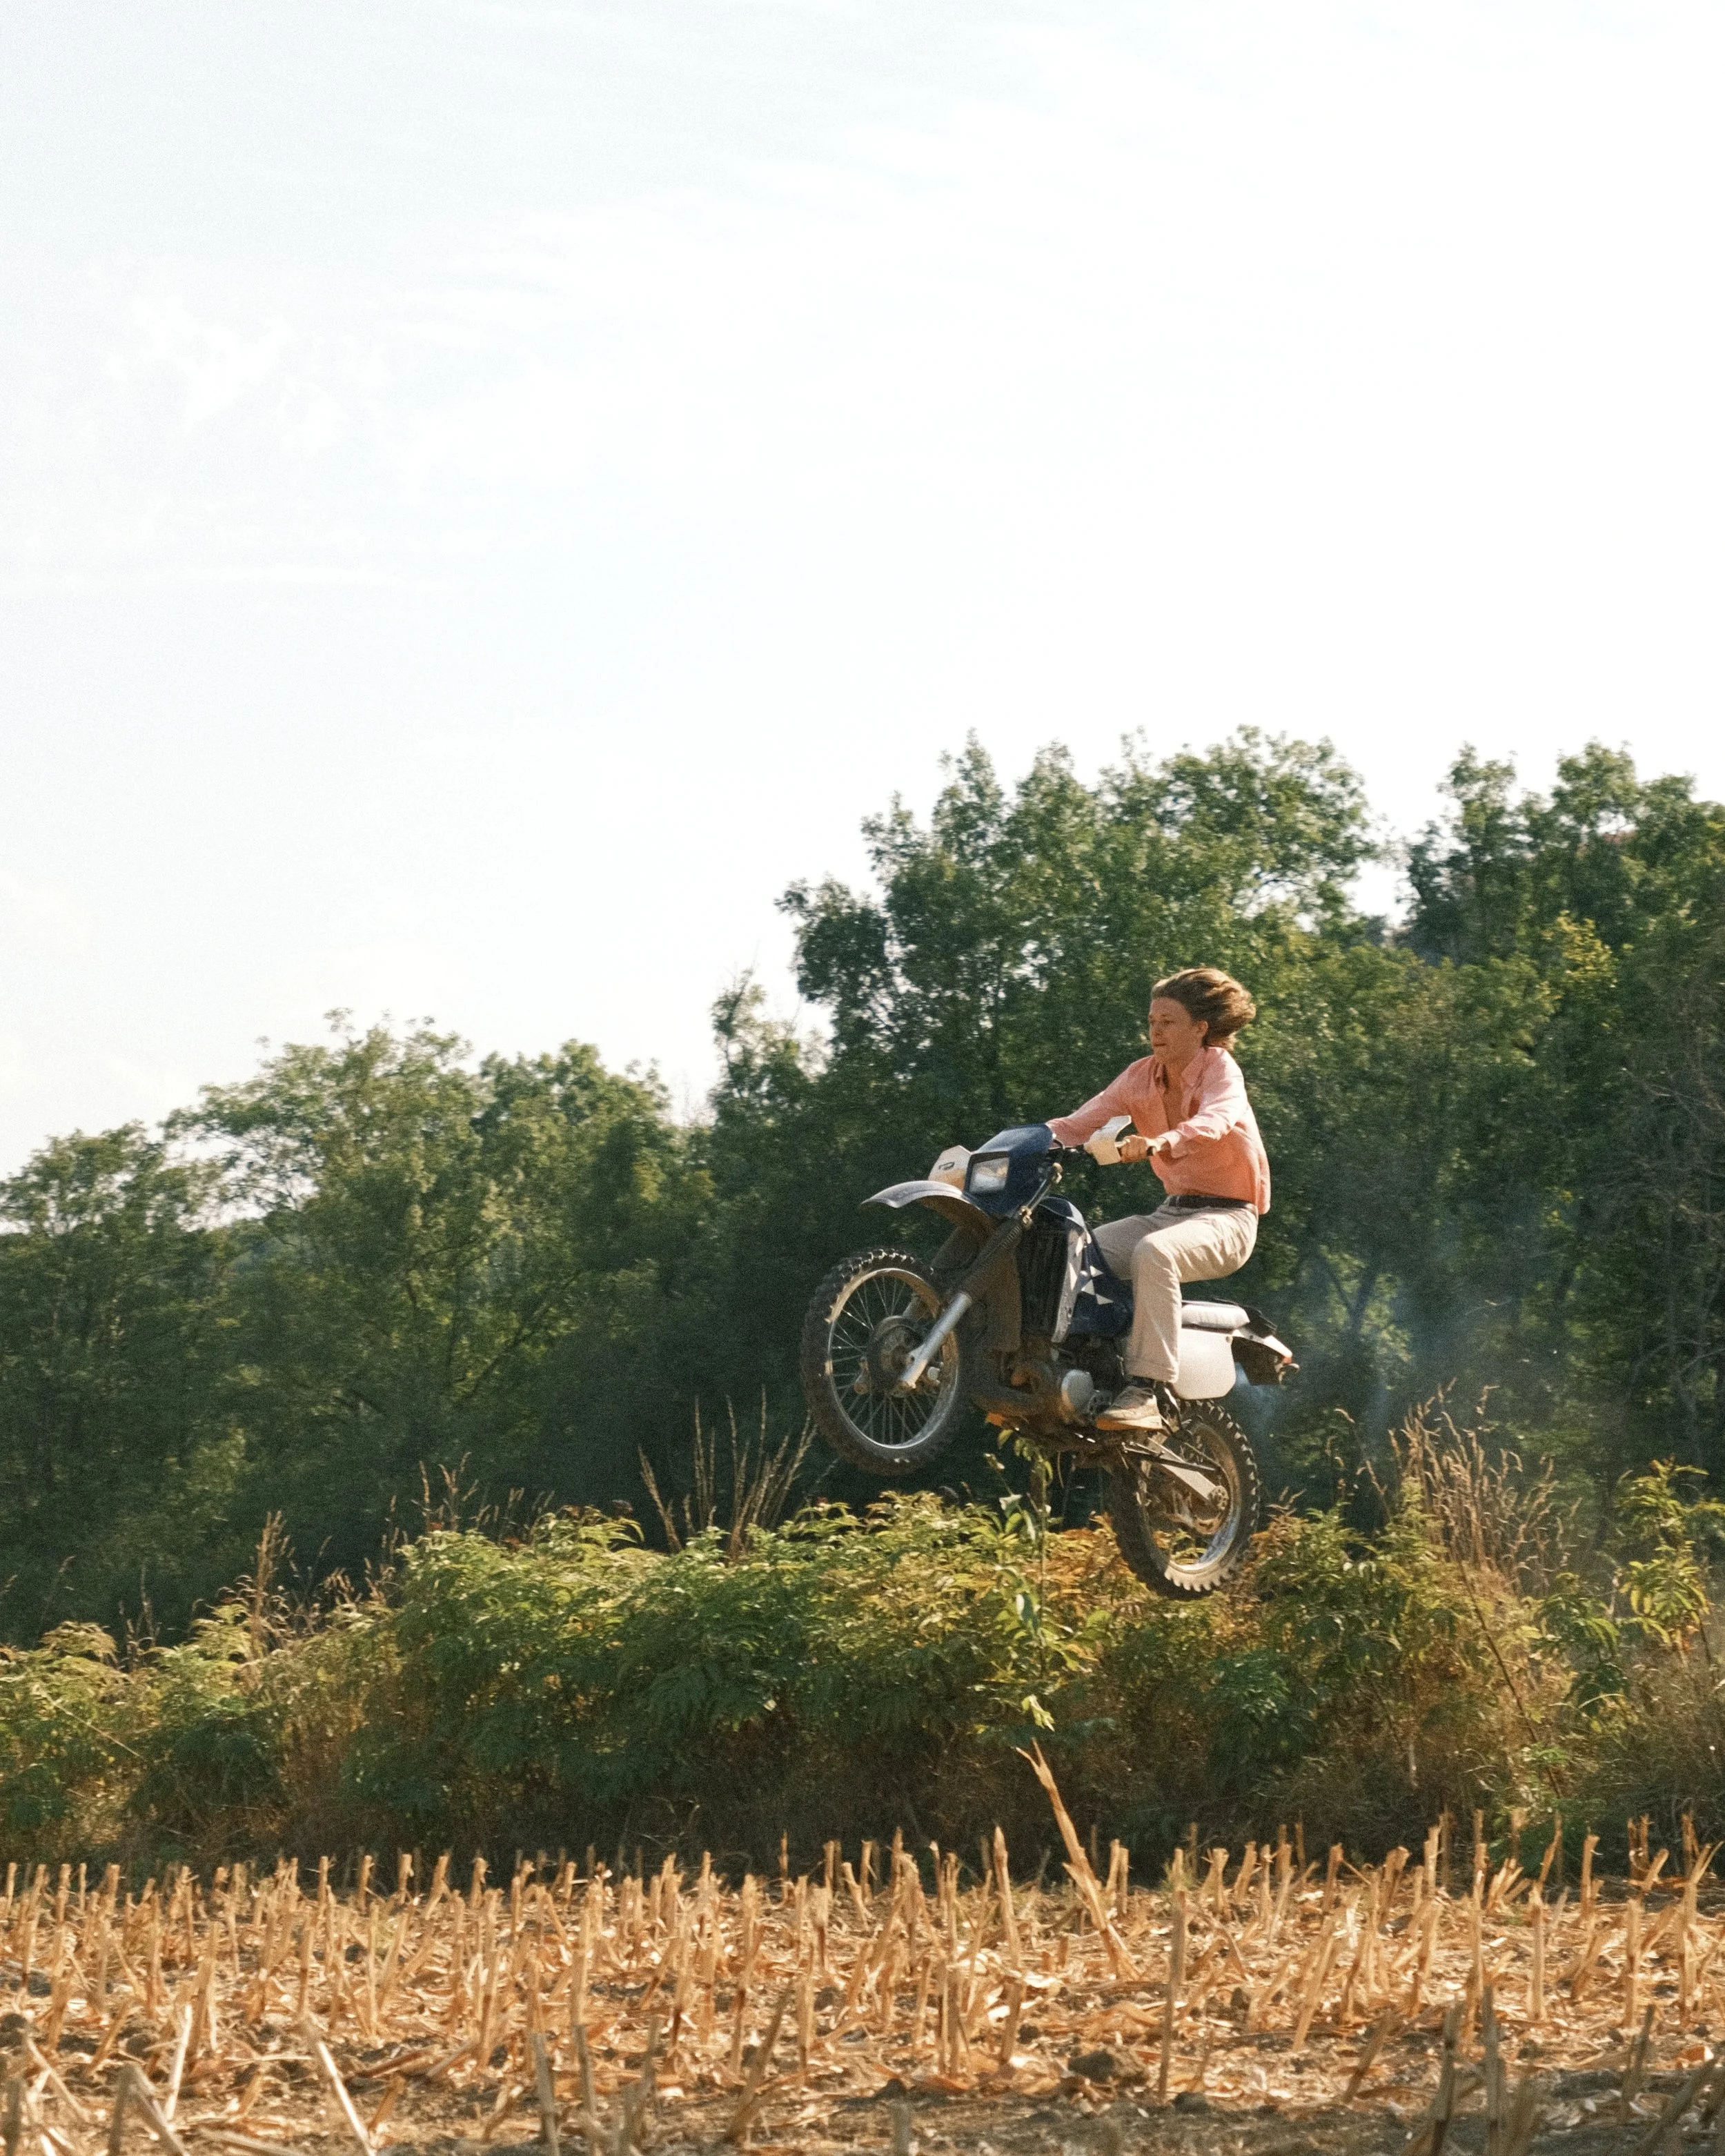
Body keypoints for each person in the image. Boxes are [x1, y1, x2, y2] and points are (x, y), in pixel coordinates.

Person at [1047, 967, 1270, 1432]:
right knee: (1075, 1250)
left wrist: (1161, 1141)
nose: (1155, 1030)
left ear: (1200, 1028)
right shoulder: (1140, 1076)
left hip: (1229, 1218)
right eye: (1151, 1021)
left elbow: (1217, 1119)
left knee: (1155, 1255)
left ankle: (1147, 1388)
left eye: (1167, 1021)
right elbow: (1074, 1125)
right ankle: (1090, 1364)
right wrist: (1003, 1150)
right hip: (1173, 1212)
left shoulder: (1220, 1070)